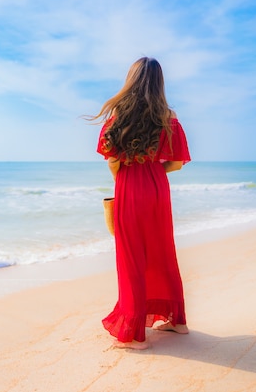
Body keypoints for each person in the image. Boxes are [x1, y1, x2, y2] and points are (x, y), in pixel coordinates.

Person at [92, 57, 191, 349]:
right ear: (159, 83)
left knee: (131, 258)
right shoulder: (168, 118)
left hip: (130, 187)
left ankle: (135, 334)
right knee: (163, 251)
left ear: (130, 81)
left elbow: (112, 161)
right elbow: (177, 164)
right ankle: (178, 321)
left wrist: (128, 175)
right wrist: (153, 170)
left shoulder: (118, 118)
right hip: (158, 188)